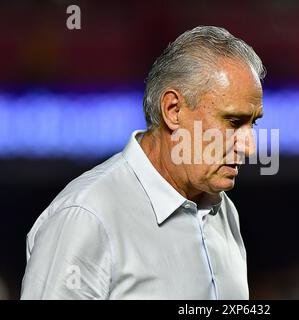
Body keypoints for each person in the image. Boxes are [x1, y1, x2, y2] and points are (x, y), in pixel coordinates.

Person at [21, 26, 266, 299]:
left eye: (252, 124)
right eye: (233, 122)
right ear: (173, 111)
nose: (249, 147)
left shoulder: (223, 210)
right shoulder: (86, 216)